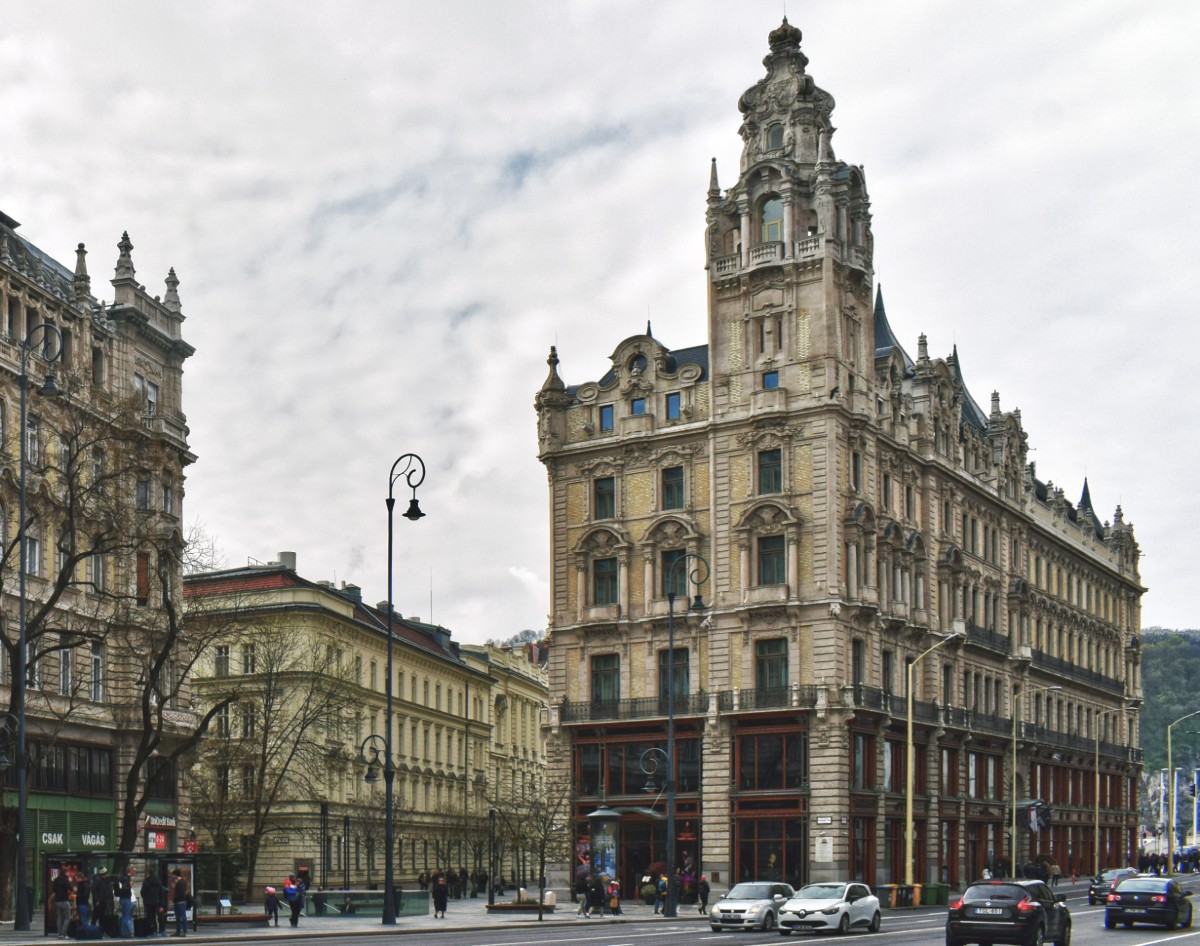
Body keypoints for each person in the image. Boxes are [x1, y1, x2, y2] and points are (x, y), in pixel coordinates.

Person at [51, 868, 75, 939]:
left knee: (59, 918)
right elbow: (71, 888)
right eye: (68, 872)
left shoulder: (56, 880)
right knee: (68, 917)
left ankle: (60, 934)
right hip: (64, 901)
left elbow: (54, 890)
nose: (68, 874)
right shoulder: (65, 880)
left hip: (57, 901)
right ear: (65, 873)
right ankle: (64, 933)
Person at [141, 869, 166, 937]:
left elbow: (142, 893)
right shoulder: (158, 881)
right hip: (157, 902)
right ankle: (162, 931)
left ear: (148, 873)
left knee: (151, 918)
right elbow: (162, 892)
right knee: (160, 917)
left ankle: (153, 931)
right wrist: (162, 905)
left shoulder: (146, 881)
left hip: (148, 902)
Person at [115, 866, 135, 938]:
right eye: (134, 871)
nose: (135, 872)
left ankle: (125, 932)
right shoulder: (127, 878)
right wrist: (130, 886)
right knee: (126, 917)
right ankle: (126, 932)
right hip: (126, 899)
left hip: (123, 899)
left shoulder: (124, 878)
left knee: (125, 916)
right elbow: (124, 888)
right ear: (130, 871)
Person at [170, 868, 189, 937]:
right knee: (178, 917)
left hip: (180, 902)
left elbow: (181, 892)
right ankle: (178, 932)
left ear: (176, 875)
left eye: (173, 875)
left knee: (182, 917)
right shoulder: (179, 882)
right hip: (178, 902)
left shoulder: (181, 882)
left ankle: (184, 931)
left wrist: (174, 887)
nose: (172, 876)